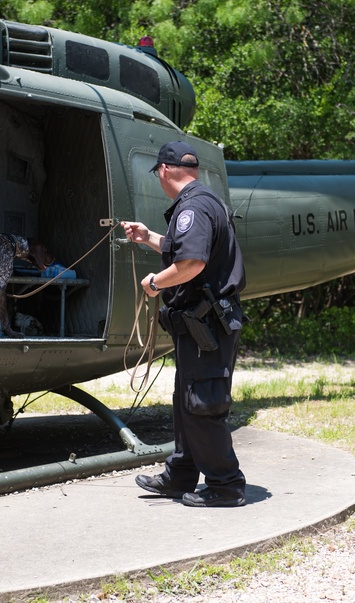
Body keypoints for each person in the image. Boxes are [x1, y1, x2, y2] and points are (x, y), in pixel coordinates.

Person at [121, 140, 247, 508]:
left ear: (163, 171)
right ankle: (180, 476)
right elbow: (185, 249)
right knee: (186, 402)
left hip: (206, 325)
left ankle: (226, 485)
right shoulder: (206, 201)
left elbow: (192, 263)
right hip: (199, 326)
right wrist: (148, 238)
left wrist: (155, 282)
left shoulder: (192, 207)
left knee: (202, 403)